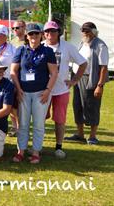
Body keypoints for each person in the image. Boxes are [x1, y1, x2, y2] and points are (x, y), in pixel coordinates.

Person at [10, 23, 58, 164]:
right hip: (23, 93)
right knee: (23, 124)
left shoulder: (47, 51)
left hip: (40, 93)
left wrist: (47, 91)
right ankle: (21, 151)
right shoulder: (21, 50)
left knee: (38, 124)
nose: (34, 37)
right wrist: (18, 89)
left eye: (36, 34)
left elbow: (54, 73)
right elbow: (13, 72)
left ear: (41, 35)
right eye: (31, 34)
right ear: (27, 35)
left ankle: (36, 152)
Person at [42, 21, 86, 157]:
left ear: (58, 32)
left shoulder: (67, 47)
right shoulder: (40, 46)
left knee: (60, 120)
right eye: (47, 31)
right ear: (44, 33)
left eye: (53, 31)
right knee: (40, 118)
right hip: (43, 90)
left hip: (61, 90)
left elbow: (83, 63)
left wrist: (74, 80)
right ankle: (38, 146)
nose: (50, 34)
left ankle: (58, 147)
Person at [68, 22, 109, 145]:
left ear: (94, 31)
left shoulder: (101, 46)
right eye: (83, 30)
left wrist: (99, 85)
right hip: (78, 78)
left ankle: (92, 136)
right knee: (77, 106)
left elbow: (103, 67)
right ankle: (80, 134)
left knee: (92, 107)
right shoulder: (82, 43)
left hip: (91, 79)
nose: (85, 33)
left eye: (87, 30)